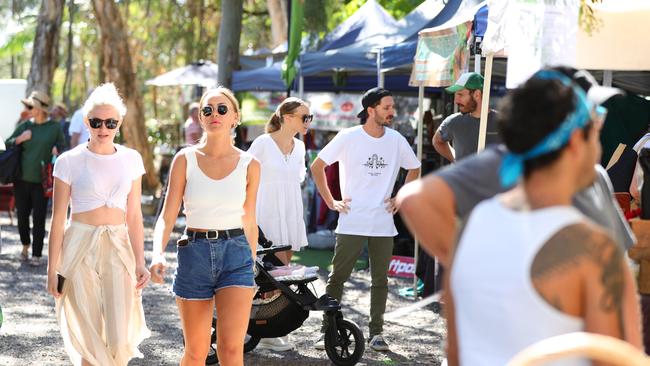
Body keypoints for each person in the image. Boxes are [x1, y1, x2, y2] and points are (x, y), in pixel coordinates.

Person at [399, 68, 642, 365]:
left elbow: (456, 354)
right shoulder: (592, 251)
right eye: (597, 124)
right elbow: (623, 357)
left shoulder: (472, 229)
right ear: (576, 140)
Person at [149, 87, 260, 366]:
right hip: (194, 252)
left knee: (231, 349)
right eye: (207, 110)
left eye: (222, 109)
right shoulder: (184, 159)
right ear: (200, 117)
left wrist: (253, 261)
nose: (215, 115)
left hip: (236, 255)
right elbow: (167, 215)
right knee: (196, 352)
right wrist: (157, 253)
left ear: (235, 117)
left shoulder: (250, 164)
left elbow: (249, 218)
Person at [45, 83, 150, 365]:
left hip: (118, 245)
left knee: (119, 336)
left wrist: (141, 262)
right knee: (89, 334)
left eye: (110, 122)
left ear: (120, 123)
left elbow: (135, 215)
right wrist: (52, 269)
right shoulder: (68, 161)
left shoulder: (131, 159)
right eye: (96, 122)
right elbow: (57, 219)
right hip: (78, 245)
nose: (103, 128)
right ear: (86, 122)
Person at [310, 87, 421, 352]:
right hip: (352, 220)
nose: (392, 112)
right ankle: (327, 332)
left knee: (380, 280)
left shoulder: (396, 139)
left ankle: (377, 333)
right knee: (338, 278)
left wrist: (400, 196)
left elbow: (415, 168)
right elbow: (317, 166)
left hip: (383, 222)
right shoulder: (348, 136)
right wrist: (330, 201)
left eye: (392, 107)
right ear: (371, 110)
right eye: (386, 107)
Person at [246, 97, 312, 352]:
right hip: (266, 211)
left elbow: (297, 178)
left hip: (290, 212)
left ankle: (272, 331)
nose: (308, 122)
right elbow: (245, 174)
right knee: (262, 273)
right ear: (287, 117)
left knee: (283, 276)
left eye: (309, 117)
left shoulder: (300, 146)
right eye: (304, 117)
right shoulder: (263, 143)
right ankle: (251, 330)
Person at [5, 90, 65, 266]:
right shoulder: (25, 126)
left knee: (39, 218)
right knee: (22, 216)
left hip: (42, 181)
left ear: (41, 109)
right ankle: (25, 245)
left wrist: (57, 149)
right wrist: (20, 139)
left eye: (31, 106)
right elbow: (7, 143)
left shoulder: (54, 127)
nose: (28, 109)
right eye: (28, 106)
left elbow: (62, 144)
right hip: (21, 179)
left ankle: (37, 254)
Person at [432, 72, 500, 162]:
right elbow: (437, 141)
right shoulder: (453, 122)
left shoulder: (503, 121)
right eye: (455, 95)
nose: (456, 101)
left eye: (460, 95)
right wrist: (455, 159)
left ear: (477, 94)